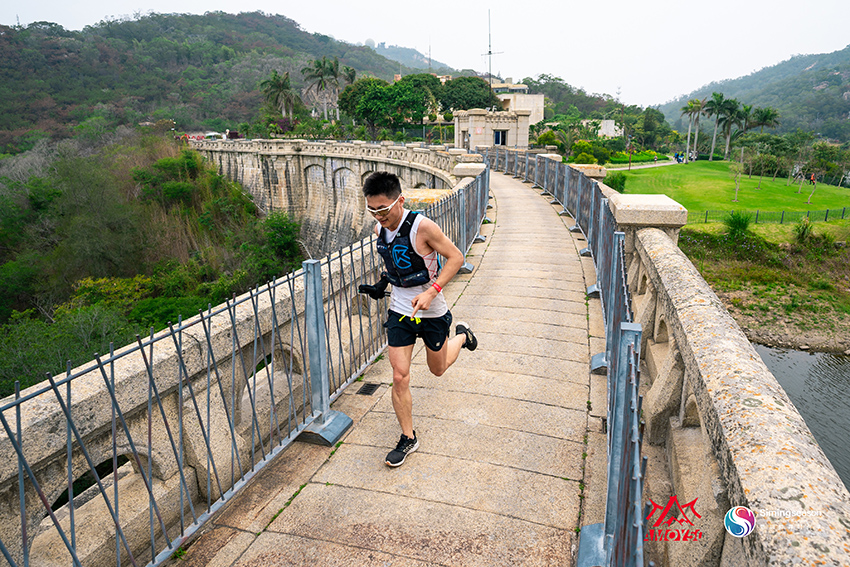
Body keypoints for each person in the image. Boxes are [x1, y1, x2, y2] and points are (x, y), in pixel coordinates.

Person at [361, 171, 478, 467]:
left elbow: (456, 258)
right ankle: (408, 437)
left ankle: (462, 336)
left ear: (400, 201)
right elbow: (394, 263)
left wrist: (431, 292)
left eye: (383, 210)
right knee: (399, 375)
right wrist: (382, 284)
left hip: (431, 309)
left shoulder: (423, 227)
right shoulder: (379, 229)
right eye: (372, 210)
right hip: (400, 310)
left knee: (438, 369)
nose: (379, 216)